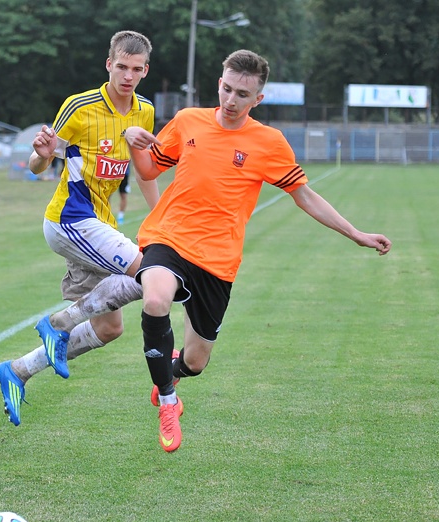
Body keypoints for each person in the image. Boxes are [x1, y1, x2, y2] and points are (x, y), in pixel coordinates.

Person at [124, 49, 392, 452]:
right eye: (227, 89)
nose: (231, 101)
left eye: (242, 95)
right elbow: (148, 170)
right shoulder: (188, 121)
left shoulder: (268, 142)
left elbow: (304, 196)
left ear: (258, 99)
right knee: (156, 299)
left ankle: (174, 371)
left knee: (196, 362)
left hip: (217, 261)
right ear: (219, 84)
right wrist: (132, 141)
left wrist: (354, 233)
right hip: (169, 236)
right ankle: (167, 400)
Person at [0, 30, 160, 426]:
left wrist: (161, 219)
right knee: (150, 272)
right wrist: (40, 155)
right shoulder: (80, 107)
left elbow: (143, 174)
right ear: (109, 64)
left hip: (98, 226)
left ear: (145, 71)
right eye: (121, 66)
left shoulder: (145, 111)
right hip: (69, 220)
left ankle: (17, 371)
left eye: (136, 69)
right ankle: (57, 324)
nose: (128, 75)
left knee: (108, 328)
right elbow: (41, 164)